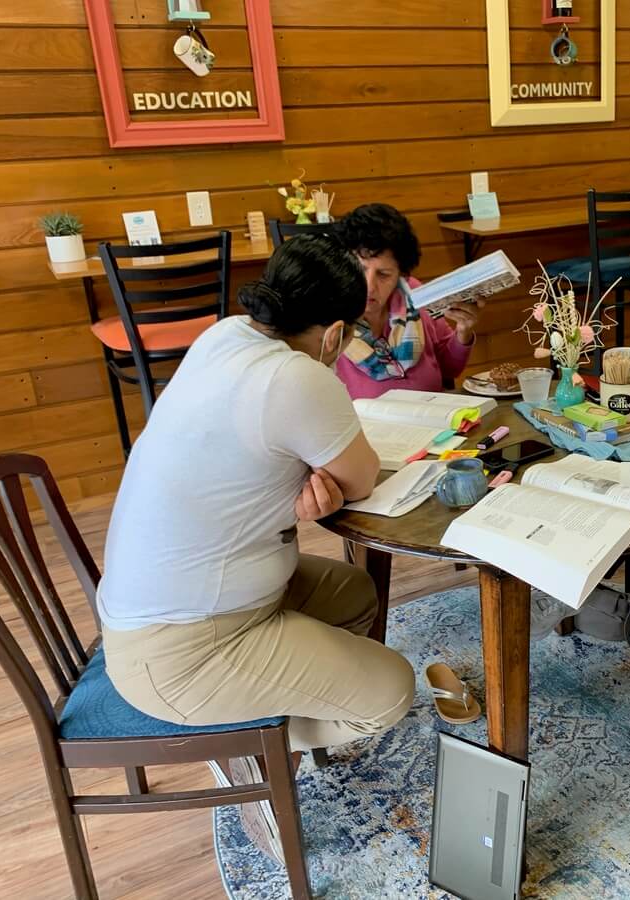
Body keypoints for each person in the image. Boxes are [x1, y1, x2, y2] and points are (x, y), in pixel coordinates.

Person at [98, 233, 415, 762]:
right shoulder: (298, 375)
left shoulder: (225, 335)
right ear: (335, 333)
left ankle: (277, 700)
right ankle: (247, 740)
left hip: (165, 610)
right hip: (183, 651)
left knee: (355, 592)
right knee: (391, 692)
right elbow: (360, 481)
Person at [334, 202, 482, 399]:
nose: (369, 286)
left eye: (384, 274)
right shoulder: (330, 315)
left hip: (432, 420)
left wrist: (463, 331)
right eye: (360, 270)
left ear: (400, 275)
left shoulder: (413, 294)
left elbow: (449, 369)